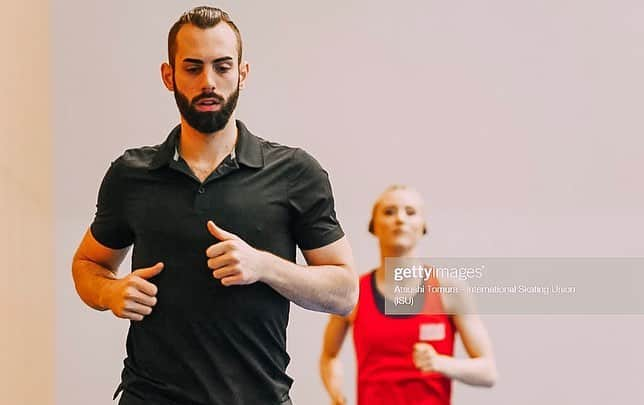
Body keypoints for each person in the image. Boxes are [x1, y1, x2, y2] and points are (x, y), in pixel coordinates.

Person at [71, 6, 357, 405]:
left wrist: (264, 266)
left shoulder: (295, 172)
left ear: (242, 73)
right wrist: (110, 293)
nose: (208, 81)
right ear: (168, 76)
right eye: (192, 68)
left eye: (222, 67)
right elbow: (87, 265)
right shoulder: (130, 174)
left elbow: (345, 292)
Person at [320, 185, 497, 405]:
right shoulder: (354, 292)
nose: (400, 219)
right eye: (389, 211)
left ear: (423, 226)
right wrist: (336, 394)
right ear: (373, 225)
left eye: (410, 212)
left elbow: (488, 371)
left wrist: (441, 363)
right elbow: (329, 356)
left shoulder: (448, 289)